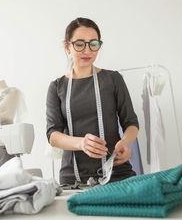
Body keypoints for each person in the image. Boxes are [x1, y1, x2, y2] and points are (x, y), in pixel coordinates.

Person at [46, 17, 139, 185]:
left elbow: (131, 123)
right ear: (68, 47)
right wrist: (81, 143)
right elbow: (53, 135)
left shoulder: (113, 79)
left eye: (93, 44)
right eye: (80, 44)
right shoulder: (57, 87)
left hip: (117, 173)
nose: (87, 51)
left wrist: (124, 144)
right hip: (73, 178)